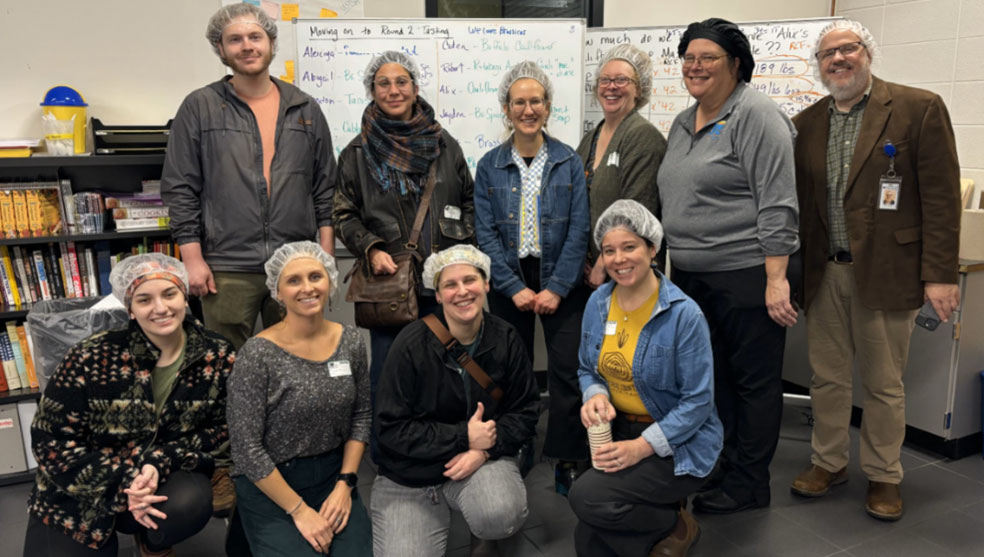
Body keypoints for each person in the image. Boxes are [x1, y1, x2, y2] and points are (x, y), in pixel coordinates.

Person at [789, 20, 961, 521]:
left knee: (884, 384)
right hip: (825, 274)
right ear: (818, 66)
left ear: (868, 54)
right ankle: (829, 462)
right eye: (827, 54)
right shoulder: (806, 122)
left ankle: (885, 475)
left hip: (889, 271)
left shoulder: (916, 108)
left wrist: (941, 274)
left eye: (848, 49)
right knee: (828, 379)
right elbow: (802, 205)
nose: (838, 60)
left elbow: (942, 200)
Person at [657, 18, 800, 514]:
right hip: (691, 276)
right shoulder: (683, 121)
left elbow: (778, 203)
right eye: (689, 58)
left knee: (753, 383)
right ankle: (719, 464)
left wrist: (777, 279)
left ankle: (748, 484)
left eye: (708, 57)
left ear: (736, 64)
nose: (695, 67)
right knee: (710, 378)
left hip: (745, 273)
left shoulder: (757, 115)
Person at [24, 254, 235, 556]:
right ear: (130, 309)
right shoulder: (91, 356)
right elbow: (50, 440)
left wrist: (159, 461)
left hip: (160, 475)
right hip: (83, 484)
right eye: (145, 299)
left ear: (185, 296)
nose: (160, 308)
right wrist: (124, 482)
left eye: (169, 294)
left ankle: (152, 543)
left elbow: (221, 427)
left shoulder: (217, 354)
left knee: (190, 502)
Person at [161, 3, 336, 350]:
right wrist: (192, 259)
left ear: (271, 43)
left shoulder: (305, 108)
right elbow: (180, 187)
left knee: (298, 359)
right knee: (226, 363)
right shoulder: (199, 107)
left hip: (295, 263)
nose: (247, 46)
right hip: (227, 266)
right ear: (220, 49)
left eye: (255, 36)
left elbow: (324, 187)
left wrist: (325, 258)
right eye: (235, 39)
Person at [568, 200, 721, 557]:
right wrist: (594, 395)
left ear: (652, 248)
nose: (618, 259)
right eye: (609, 251)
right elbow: (587, 368)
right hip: (619, 428)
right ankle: (666, 522)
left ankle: (675, 526)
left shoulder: (684, 316)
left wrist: (642, 447)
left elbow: (699, 402)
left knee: (586, 498)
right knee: (588, 540)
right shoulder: (598, 303)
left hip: (678, 442)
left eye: (629, 247)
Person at [371, 245, 540, 557]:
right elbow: (390, 429)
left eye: (470, 280)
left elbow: (525, 410)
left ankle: (483, 531)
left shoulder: (505, 337)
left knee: (498, 514)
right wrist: (464, 438)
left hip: (478, 462)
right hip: (410, 476)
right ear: (437, 295)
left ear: (486, 284)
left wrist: (485, 450)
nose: (462, 291)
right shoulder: (410, 345)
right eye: (450, 284)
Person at [333, 50, 475, 411]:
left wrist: (461, 258)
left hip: (444, 282)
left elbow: (470, 202)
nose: (393, 90)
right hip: (390, 283)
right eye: (383, 83)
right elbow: (343, 213)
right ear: (372, 91)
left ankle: (444, 446)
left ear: (414, 88)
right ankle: (387, 461)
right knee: (389, 375)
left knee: (444, 372)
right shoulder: (357, 153)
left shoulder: (446, 146)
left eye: (401, 82)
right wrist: (371, 248)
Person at [474, 60, 591, 495]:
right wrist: (514, 287)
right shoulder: (489, 165)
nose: (528, 109)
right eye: (519, 102)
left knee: (567, 371)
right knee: (511, 369)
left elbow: (580, 227)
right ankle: (516, 444)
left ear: (547, 106)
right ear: (507, 108)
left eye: (536, 101)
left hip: (561, 275)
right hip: (510, 278)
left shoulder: (568, 160)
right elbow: (484, 232)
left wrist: (558, 287)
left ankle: (568, 454)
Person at [227, 241, 372, 556]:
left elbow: (361, 416)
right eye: (293, 280)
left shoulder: (351, 341)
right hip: (272, 483)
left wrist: (345, 484)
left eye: (315, 277)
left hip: (334, 477)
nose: (307, 287)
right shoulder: (257, 354)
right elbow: (245, 449)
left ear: (329, 281)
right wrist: (299, 510)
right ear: (278, 292)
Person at [577, 44, 667, 288]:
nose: (611, 87)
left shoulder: (643, 137)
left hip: (626, 270)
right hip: (592, 272)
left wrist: (602, 265)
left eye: (621, 80)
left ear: (639, 89)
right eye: (605, 80)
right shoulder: (590, 138)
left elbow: (637, 210)